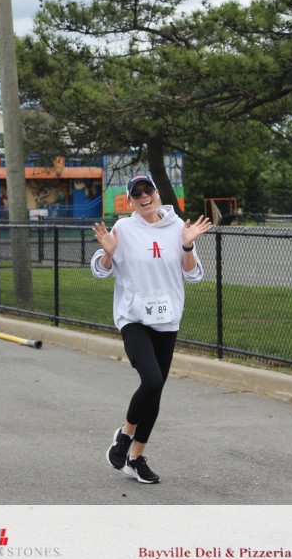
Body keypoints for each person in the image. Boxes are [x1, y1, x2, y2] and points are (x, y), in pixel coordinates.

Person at [91, 175, 212, 484]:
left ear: (157, 193)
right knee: (152, 379)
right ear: (130, 201)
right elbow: (100, 271)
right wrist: (108, 252)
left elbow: (194, 275)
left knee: (155, 391)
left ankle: (136, 458)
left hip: (167, 319)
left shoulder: (177, 226)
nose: (144, 196)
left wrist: (187, 245)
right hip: (133, 318)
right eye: (137, 193)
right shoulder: (123, 228)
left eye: (148, 190)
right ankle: (124, 435)